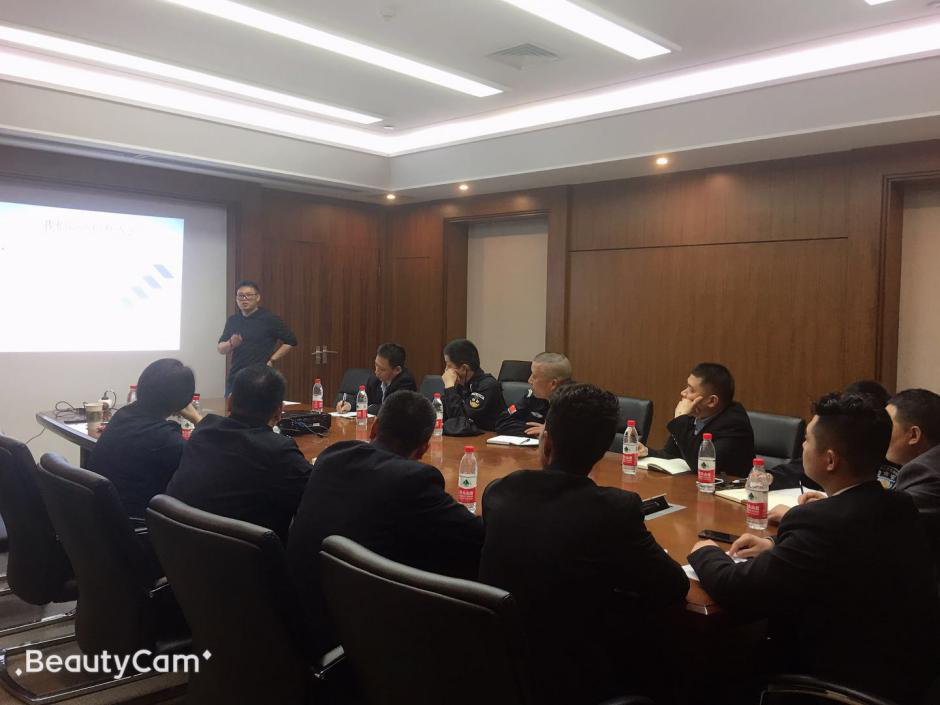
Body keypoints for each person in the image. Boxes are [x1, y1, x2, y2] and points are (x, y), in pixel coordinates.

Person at [688, 392, 940, 704]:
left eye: (806, 440)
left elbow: (737, 590)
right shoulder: (898, 505)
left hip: (839, 677)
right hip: (906, 671)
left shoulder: (820, 521)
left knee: (710, 666)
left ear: (830, 460)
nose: (802, 447)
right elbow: (843, 548)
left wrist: (705, 551)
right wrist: (775, 545)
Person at [480, 384, 689, 705]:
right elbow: (674, 586)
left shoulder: (499, 491)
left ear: (546, 441)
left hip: (494, 667)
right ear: (603, 451)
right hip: (573, 680)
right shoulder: (615, 510)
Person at [288, 390, 484, 651]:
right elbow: (478, 537)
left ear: (374, 428)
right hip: (356, 638)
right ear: (424, 448)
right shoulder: (413, 481)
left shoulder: (332, 456)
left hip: (293, 618)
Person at [166, 365, 310, 543]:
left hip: (179, 549)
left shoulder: (203, 430)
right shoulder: (279, 451)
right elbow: (316, 492)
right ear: (279, 411)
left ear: (230, 402)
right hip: (246, 556)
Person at [89, 358, 201, 518]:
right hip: (136, 526)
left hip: (101, 520)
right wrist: (197, 418)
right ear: (183, 401)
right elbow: (207, 458)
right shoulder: (166, 439)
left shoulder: (122, 415)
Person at [648, 362, 754, 477]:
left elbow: (701, 465)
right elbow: (671, 454)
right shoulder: (694, 414)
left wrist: (680, 419)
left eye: (691, 390)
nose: (683, 393)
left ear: (712, 401)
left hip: (725, 486)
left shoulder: (734, 423)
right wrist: (647, 452)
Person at [888, 388, 940, 583]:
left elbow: (885, 524)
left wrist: (832, 508)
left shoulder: (924, 471)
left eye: (888, 426)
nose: (879, 433)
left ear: (913, 435)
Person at [217, 280, 297, 395]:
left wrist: (272, 359)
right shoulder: (233, 320)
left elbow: (291, 341)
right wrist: (231, 343)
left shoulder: (269, 319)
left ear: (257, 297)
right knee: (230, 406)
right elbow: (220, 349)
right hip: (236, 377)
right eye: (240, 296)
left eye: (249, 295)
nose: (244, 299)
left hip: (260, 378)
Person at [494, 352, 572, 437]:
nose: (529, 380)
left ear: (553, 384)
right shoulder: (533, 396)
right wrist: (535, 431)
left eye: (534, 376)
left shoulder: (576, 404)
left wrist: (551, 431)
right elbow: (502, 421)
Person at [441, 338, 505, 434]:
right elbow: (441, 414)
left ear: (464, 368)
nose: (446, 370)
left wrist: (449, 387)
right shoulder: (461, 384)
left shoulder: (488, 386)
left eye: (449, 366)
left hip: (490, 439)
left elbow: (459, 422)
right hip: (466, 438)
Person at [336, 342, 416, 414]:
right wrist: (349, 405)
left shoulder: (406, 382)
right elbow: (363, 399)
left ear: (397, 370)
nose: (376, 371)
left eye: (382, 369)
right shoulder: (375, 379)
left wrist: (368, 408)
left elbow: (391, 409)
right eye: (376, 365)